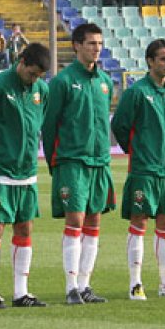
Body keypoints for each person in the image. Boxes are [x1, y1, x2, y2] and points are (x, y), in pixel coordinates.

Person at [112, 39, 165, 301]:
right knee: (139, 222)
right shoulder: (137, 93)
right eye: (163, 59)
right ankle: (135, 283)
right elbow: (120, 126)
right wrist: (138, 151)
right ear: (150, 61)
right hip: (145, 170)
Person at [41, 23, 114, 305]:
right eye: (91, 43)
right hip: (71, 160)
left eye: (99, 43)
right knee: (75, 219)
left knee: (94, 220)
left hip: (99, 162)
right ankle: (71, 286)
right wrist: (55, 162)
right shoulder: (62, 82)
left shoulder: (105, 81)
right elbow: (49, 127)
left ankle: (85, 285)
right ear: (77, 46)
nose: (96, 48)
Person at [0, 43, 52, 309]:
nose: (34, 80)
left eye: (38, 76)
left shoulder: (42, 90)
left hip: (27, 172)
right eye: (32, 74)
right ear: (21, 62)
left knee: (24, 228)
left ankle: (21, 292)